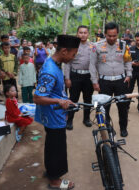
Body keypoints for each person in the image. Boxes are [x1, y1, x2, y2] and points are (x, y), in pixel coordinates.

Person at [33, 35, 80, 189]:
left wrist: (63, 99)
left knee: (51, 145)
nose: (73, 58)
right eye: (73, 54)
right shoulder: (50, 70)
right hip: (53, 117)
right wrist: (59, 101)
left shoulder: (54, 62)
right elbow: (38, 98)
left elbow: (53, 91)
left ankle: (51, 171)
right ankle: (55, 180)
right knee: (57, 148)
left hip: (54, 115)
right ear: (65, 51)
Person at [90, 22, 132, 137]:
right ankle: (108, 127)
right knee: (104, 107)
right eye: (109, 35)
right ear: (105, 34)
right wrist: (94, 81)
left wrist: (128, 75)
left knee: (122, 106)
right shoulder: (96, 46)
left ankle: (123, 128)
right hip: (104, 81)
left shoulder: (124, 45)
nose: (112, 38)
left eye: (114, 35)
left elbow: (128, 61)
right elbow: (92, 65)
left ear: (118, 34)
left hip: (121, 81)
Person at [64, 25, 94, 129]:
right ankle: (69, 120)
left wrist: (95, 79)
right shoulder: (72, 46)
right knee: (73, 98)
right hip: (75, 76)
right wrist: (67, 78)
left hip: (88, 77)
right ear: (77, 34)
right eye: (81, 32)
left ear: (88, 34)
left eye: (85, 32)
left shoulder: (92, 46)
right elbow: (67, 63)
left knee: (88, 99)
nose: (83, 35)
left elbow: (96, 63)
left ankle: (86, 119)